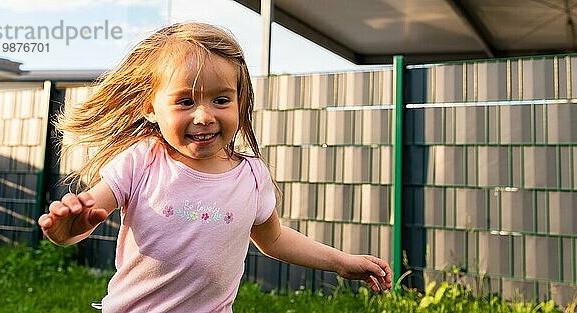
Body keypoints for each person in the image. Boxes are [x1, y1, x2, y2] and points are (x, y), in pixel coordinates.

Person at [38, 22, 393, 312]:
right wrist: (66, 230)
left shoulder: (252, 176)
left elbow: (275, 239)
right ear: (150, 108)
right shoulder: (142, 161)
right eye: (185, 101)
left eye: (221, 99)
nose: (204, 115)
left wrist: (341, 262)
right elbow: (88, 215)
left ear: (240, 103)